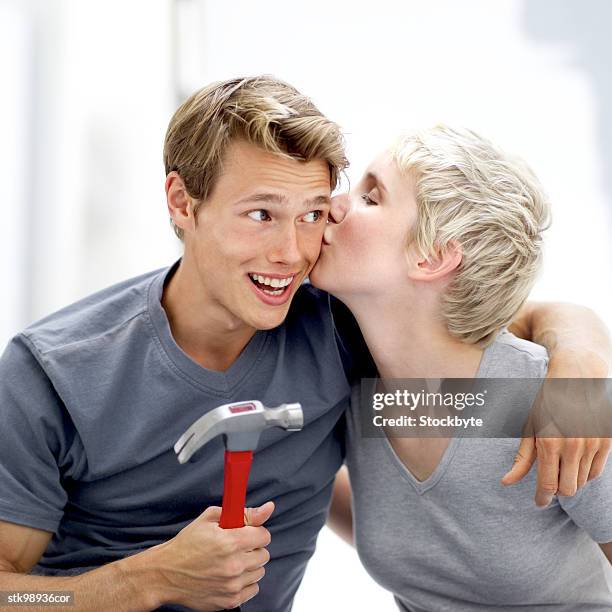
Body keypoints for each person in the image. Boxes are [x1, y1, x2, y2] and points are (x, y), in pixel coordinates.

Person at [0, 77, 609, 612]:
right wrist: (143, 581)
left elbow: (492, 359)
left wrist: (581, 368)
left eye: (316, 211)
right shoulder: (52, 375)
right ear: (183, 202)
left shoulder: (349, 336)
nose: (293, 251)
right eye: (261, 214)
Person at [312, 125, 612, 610]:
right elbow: (427, 523)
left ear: (432, 256)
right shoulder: (358, 390)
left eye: (371, 197)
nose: (335, 204)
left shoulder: (553, 406)